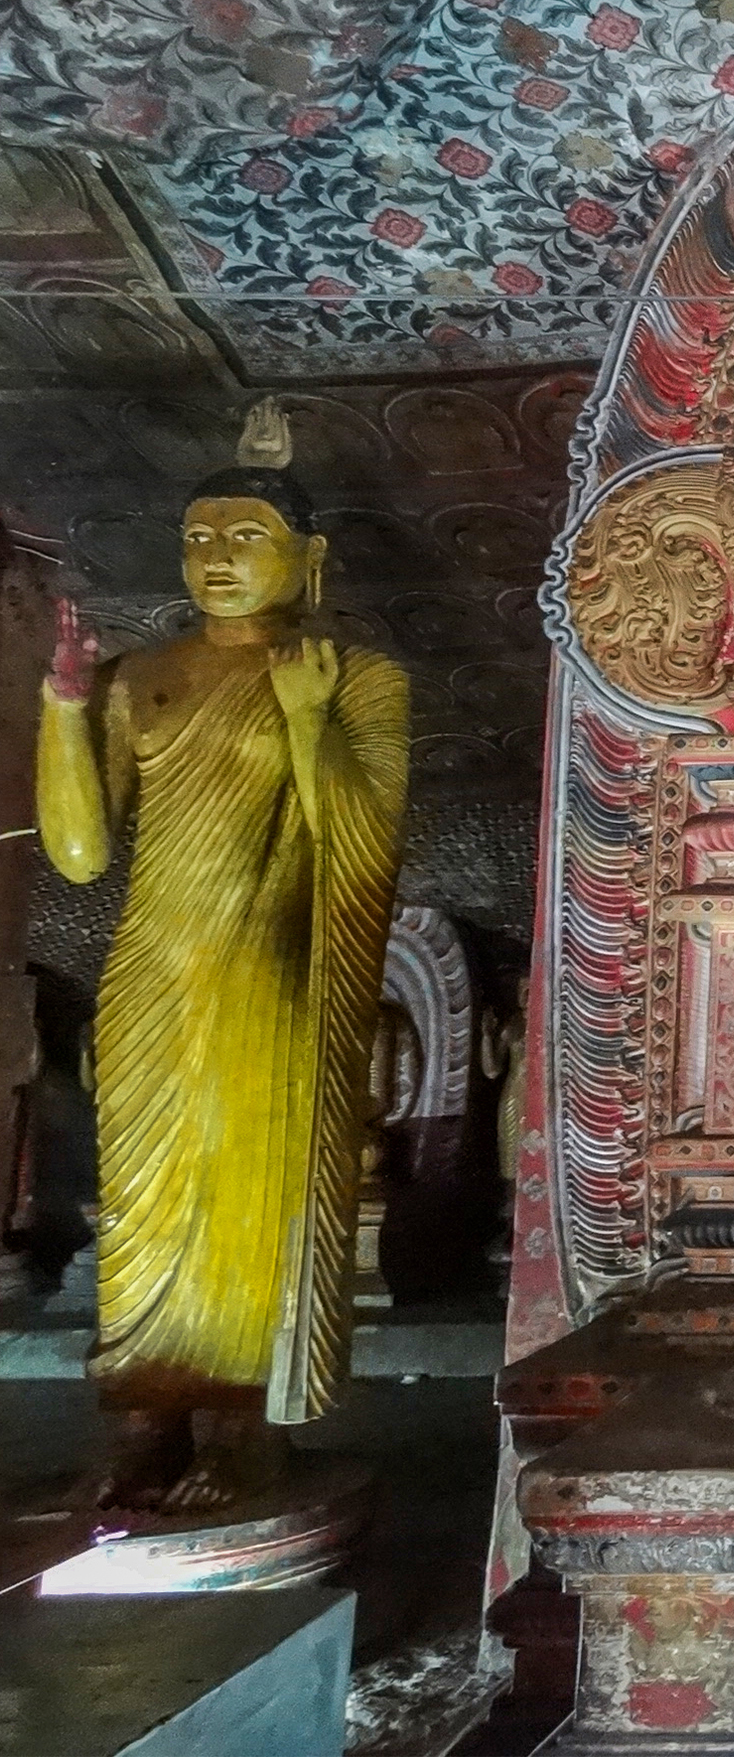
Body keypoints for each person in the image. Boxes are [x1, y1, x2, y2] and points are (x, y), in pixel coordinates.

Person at [35, 400, 408, 1509]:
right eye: (200, 541)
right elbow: (79, 849)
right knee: (144, 1200)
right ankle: (148, 1413)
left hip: (271, 972)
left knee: (258, 1189)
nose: (217, 560)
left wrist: (305, 720)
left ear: (310, 556)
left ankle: (250, 1423)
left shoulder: (358, 679)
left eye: (246, 538)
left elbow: (369, 836)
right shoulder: (141, 678)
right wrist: (63, 708)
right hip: (153, 966)